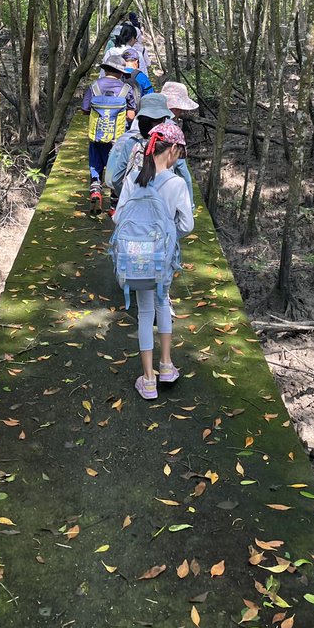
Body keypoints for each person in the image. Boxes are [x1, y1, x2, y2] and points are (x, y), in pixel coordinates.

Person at [112, 122, 193, 399]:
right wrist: (168, 236)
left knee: (145, 313)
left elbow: (117, 217)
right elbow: (188, 225)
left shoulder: (135, 178)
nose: (180, 158)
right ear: (171, 149)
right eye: (180, 152)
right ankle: (167, 366)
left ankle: (148, 380)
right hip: (163, 258)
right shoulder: (177, 183)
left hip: (136, 257)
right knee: (163, 302)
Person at [106, 91, 193, 208]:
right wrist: (190, 207)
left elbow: (116, 179)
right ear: (164, 120)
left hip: (134, 208)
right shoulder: (171, 145)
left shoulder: (131, 143)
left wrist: (128, 198)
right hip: (163, 209)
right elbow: (185, 177)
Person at [81, 48, 137, 215]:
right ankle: (114, 207)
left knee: (95, 164)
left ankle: (96, 191)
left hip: (97, 136)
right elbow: (131, 115)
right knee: (117, 170)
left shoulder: (94, 86)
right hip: (118, 139)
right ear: (121, 73)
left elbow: (85, 109)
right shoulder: (126, 89)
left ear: (105, 70)